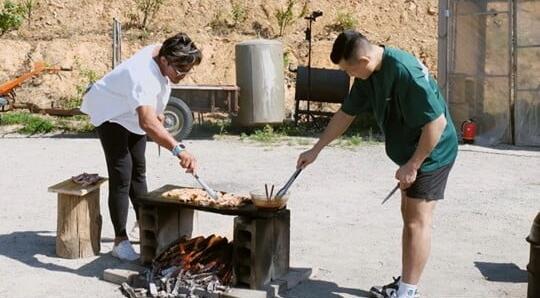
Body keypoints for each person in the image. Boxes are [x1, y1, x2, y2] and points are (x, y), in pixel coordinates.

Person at [296, 30, 458, 298]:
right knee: (409, 216)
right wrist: (316, 149)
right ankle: (407, 283)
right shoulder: (368, 75)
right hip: (411, 154)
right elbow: (345, 114)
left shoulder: (405, 71)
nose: (350, 76)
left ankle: (407, 292)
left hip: (433, 152)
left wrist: (414, 164)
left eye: (349, 71)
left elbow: (436, 122)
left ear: (362, 60)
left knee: (419, 222)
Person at [81, 32, 201, 261]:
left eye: (188, 70)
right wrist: (179, 150)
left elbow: (151, 106)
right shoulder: (141, 74)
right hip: (111, 113)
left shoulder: (162, 51)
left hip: (130, 113)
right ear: (165, 61)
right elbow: (147, 122)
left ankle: (145, 224)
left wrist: (157, 110)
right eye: (180, 71)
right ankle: (120, 240)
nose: (184, 75)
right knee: (122, 174)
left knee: (139, 171)